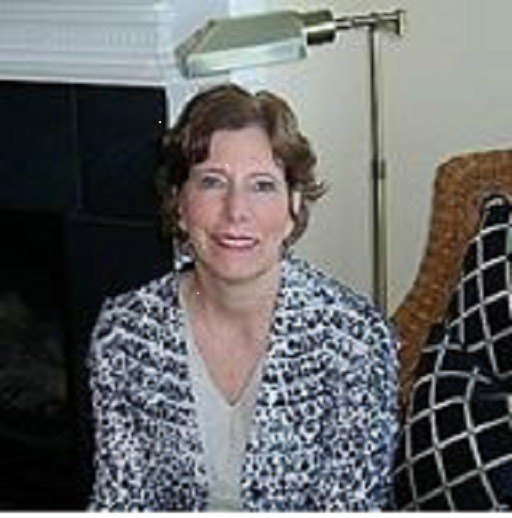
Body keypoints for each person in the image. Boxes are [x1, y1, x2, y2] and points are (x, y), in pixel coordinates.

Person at [86, 83, 399, 511]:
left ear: (293, 208)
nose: (236, 211)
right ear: (179, 204)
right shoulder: (125, 335)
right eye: (212, 182)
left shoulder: (355, 341)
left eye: (262, 186)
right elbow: (121, 502)